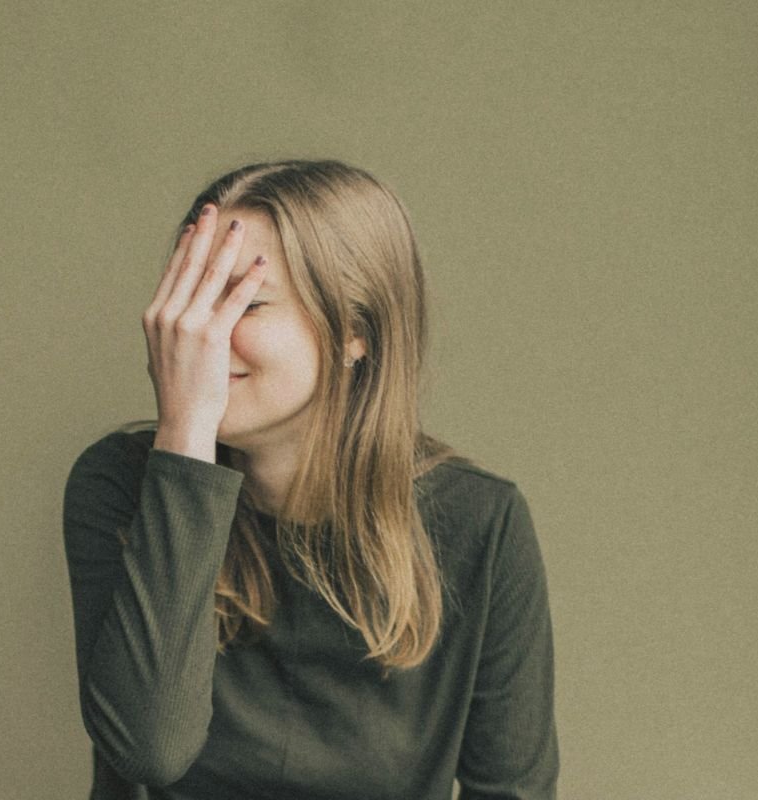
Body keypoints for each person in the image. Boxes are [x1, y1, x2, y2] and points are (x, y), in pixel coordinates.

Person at [62, 160, 558, 799]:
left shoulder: (479, 522)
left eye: (243, 300)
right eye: (191, 295)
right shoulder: (121, 485)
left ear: (355, 330)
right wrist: (184, 438)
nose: (198, 336)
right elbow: (150, 750)